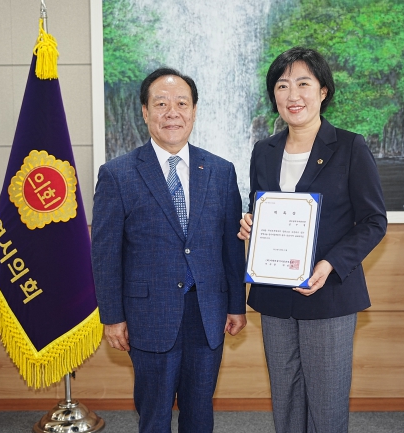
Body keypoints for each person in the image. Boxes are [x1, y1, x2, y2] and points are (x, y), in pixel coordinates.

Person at [238, 47, 387, 433]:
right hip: (274, 295)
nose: (293, 95)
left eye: (303, 83)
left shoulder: (350, 146)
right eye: (282, 85)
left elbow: (374, 221)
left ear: (323, 91)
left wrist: (331, 264)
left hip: (329, 293)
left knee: (327, 401)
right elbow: (261, 208)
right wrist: (250, 225)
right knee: (285, 399)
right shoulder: (263, 151)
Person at [92, 67, 247, 433]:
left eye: (182, 103)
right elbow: (105, 253)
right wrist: (112, 317)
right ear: (145, 112)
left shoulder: (221, 171)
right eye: (161, 104)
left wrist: (236, 305)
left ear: (194, 111)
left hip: (208, 312)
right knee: (155, 414)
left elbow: (230, 246)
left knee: (200, 412)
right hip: (148, 314)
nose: (172, 112)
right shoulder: (117, 174)